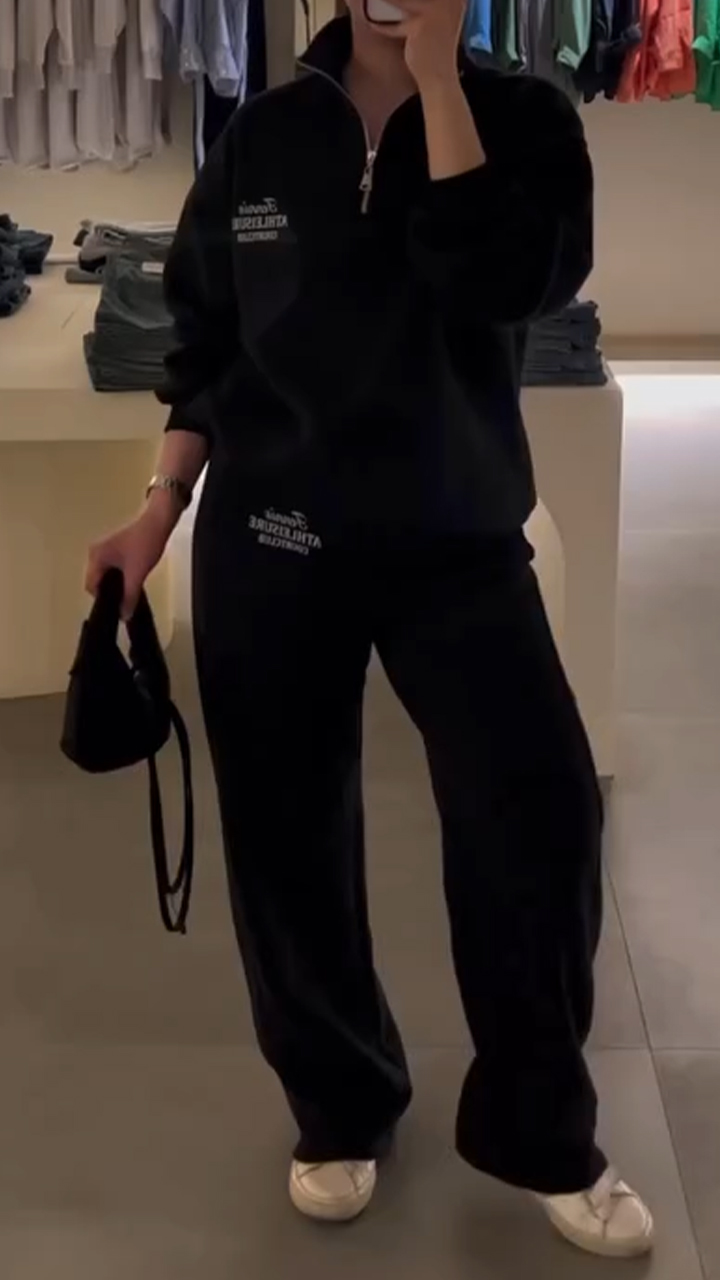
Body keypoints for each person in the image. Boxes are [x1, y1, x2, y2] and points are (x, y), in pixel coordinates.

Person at [86, 0, 654, 1259]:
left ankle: (542, 1129)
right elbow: (209, 348)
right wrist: (157, 509)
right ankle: (339, 1099)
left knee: (540, 819)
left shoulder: (527, 118)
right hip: (273, 536)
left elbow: (505, 281)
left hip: (457, 537)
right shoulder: (264, 134)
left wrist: (442, 85)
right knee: (286, 840)